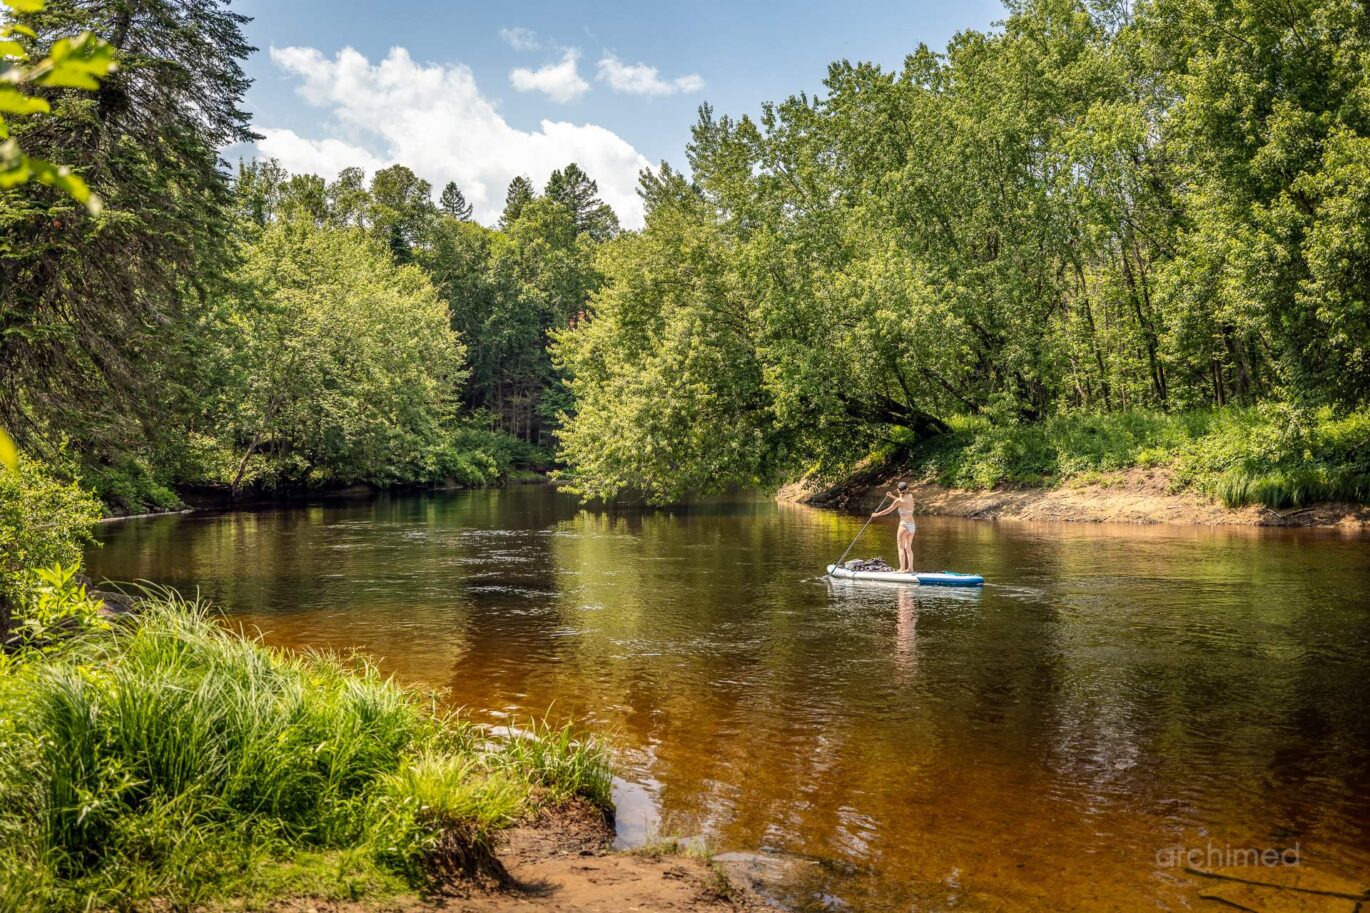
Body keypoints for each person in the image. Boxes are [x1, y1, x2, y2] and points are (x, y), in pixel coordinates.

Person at [870, 481, 917, 574]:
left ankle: (902, 569)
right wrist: (892, 496)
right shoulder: (910, 497)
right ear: (907, 489)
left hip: (904, 526)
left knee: (901, 547)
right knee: (908, 548)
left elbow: (888, 510)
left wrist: (876, 515)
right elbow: (902, 502)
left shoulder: (899, 501)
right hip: (912, 526)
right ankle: (910, 568)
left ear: (898, 490)